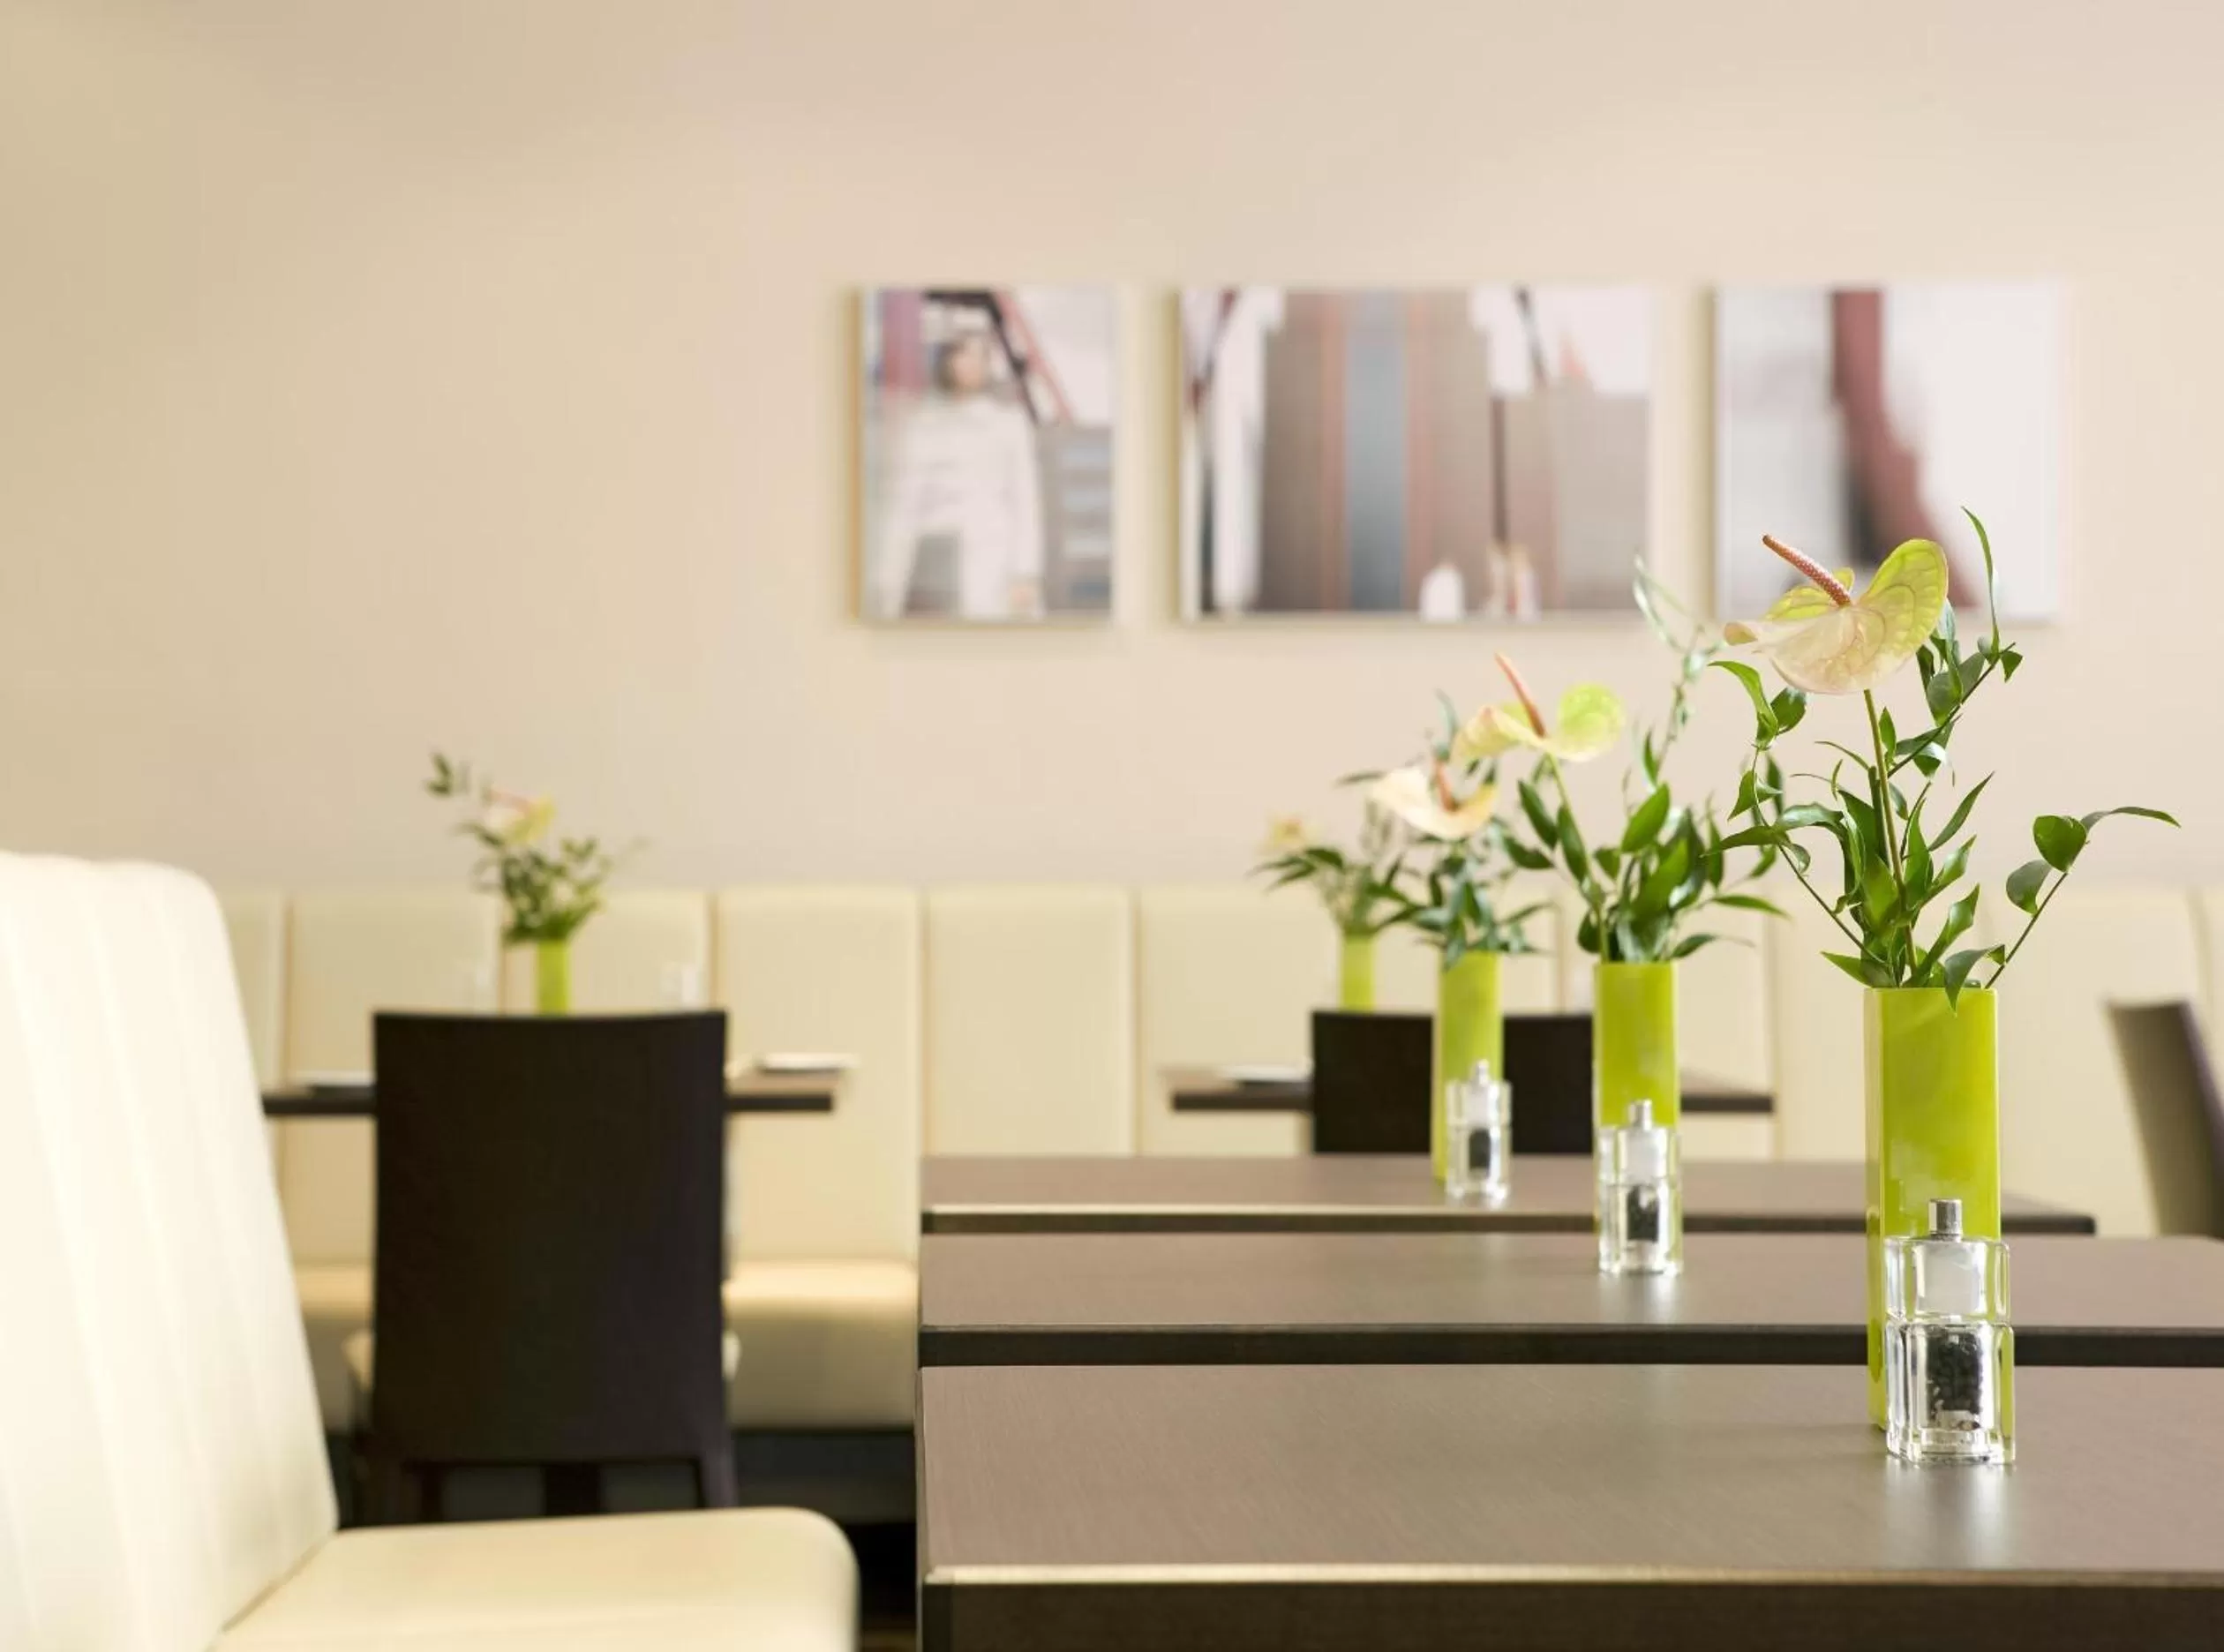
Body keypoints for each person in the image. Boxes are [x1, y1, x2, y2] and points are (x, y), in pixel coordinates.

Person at [871, 328, 1045, 620]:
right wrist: (886, 579)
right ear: (948, 361)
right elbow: (904, 505)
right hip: (933, 565)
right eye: (963, 354)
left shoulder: (1008, 424)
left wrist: (1025, 572)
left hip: (993, 559)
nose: (970, 363)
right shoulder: (923, 425)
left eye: (979, 356)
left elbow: (1024, 500)